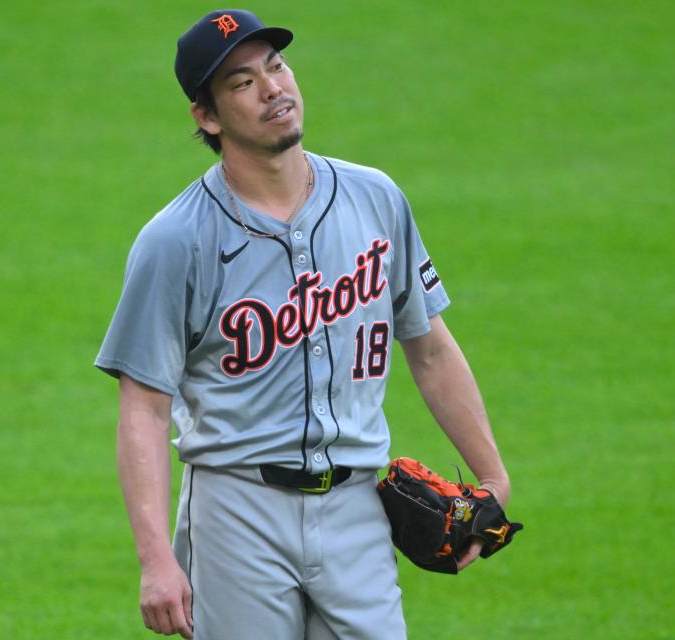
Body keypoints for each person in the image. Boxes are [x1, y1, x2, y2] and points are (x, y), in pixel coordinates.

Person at [95, 9, 513, 639]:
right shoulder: (175, 241)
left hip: (357, 508)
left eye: (277, 66)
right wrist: (156, 559)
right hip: (237, 513)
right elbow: (144, 409)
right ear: (206, 117)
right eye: (241, 83)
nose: (273, 90)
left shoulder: (376, 198)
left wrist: (493, 477)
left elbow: (427, 347)